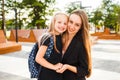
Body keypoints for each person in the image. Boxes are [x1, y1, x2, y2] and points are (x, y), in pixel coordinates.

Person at [56, 9, 92, 80]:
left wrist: (67, 66)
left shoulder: (81, 44)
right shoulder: (58, 37)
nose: (72, 27)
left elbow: (85, 71)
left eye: (77, 25)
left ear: (81, 27)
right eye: (71, 22)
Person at [35, 12, 68, 80]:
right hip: (46, 75)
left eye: (65, 23)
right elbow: (38, 58)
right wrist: (54, 67)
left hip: (56, 74)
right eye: (59, 22)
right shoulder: (49, 38)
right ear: (54, 22)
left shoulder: (60, 37)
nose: (62, 25)